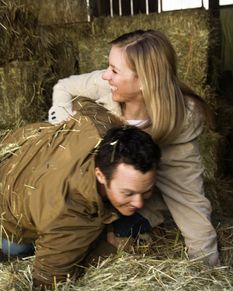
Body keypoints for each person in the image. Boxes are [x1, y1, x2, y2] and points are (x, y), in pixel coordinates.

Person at [48, 29, 219, 266]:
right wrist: (60, 120)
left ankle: (134, 221)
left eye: (115, 70)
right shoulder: (104, 85)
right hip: (99, 183)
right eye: (109, 67)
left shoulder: (180, 126)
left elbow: (189, 200)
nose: (106, 75)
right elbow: (64, 86)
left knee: (105, 239)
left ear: (144, 81)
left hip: (137, 197)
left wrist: (206, 265)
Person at [0, 97, 161, 288]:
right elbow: (47, 282)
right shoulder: (70, 217)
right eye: (128, 193)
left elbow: (80, 99)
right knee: (15, 248)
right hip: (8, 212)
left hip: (20, 146)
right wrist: (108, 249)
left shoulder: (102, 122)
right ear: (100, 175)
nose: (139, 202)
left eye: (146, 191)